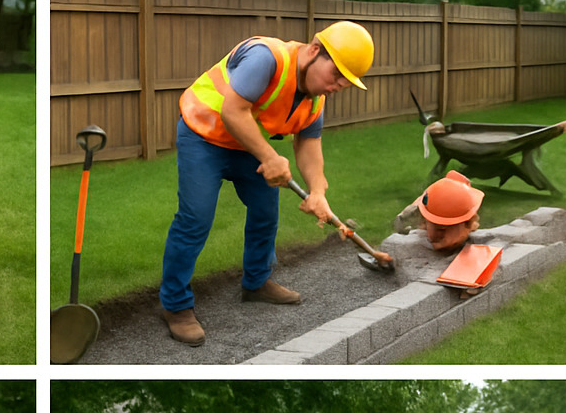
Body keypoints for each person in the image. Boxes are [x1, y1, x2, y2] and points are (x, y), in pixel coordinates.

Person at [159, 21, 375, 346]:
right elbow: (233, 111)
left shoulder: (315, 98)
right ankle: (175, 304)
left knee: (265, 210)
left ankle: (256, 282)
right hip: (203, 133)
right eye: (336, 76)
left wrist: (318, 191)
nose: (338, 86)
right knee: (196, 218)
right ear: (315, 51)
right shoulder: (266, 57)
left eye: (345, 83)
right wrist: (270, 157)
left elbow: (309, 143)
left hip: (244, 144)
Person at [394, 170, 485, 252]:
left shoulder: (459, 204)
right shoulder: (416, 212)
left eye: (442, 229)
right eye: (433, 225)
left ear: (468, 224)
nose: (435, 235)